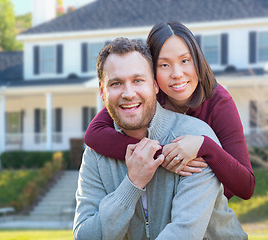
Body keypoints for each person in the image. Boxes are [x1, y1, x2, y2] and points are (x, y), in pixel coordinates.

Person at [73, 37, 247, 239]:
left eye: (138, 80)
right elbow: (85, 236)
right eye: (116, 83)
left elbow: (183, 233)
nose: (128, 93)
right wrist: (133, 183)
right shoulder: (96, 154)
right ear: (103, 92)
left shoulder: (194, 141)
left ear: (155, 85)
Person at [84, 21, 255, 200]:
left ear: (197, 60)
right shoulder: (145, 96)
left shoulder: (219, 102)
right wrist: (164, 155)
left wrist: (204, 146)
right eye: (164, 65)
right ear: (151, 73)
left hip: (206, 205)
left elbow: (246, 186)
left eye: (185, 60)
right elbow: (94, 134)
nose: (177, 73)